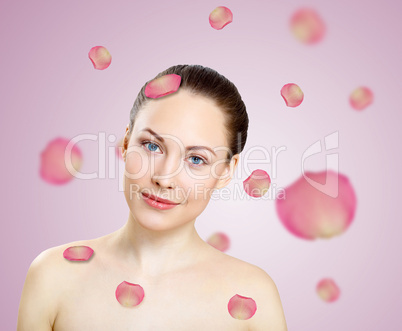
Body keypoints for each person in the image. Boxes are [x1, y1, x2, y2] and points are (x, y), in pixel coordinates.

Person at [17, 64, 288, 330]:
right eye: (152, 146)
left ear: (226, 172)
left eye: (196, 159)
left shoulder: (254, 295)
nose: (164, 178)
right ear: (126, 143)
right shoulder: (53, 275)